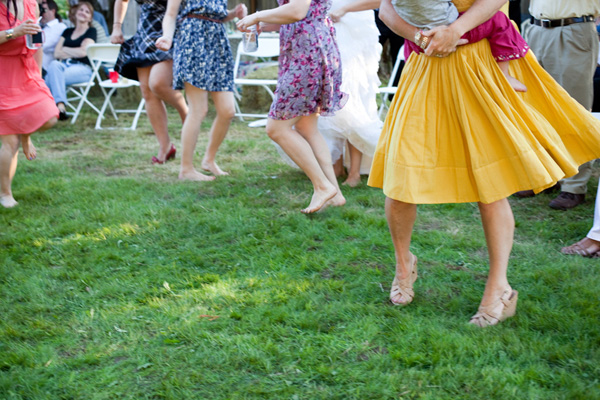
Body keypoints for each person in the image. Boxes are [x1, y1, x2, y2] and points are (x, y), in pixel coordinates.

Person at [368, 0, 600, 327]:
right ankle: (404, 265)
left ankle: (499, 289)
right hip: (425, 66)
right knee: (402, 178)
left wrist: (454, 31)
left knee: (491, 184)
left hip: (479, 65)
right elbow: (386, 9)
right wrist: (422, 39)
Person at [237, 0, 348, 214]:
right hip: (309, 47)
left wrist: (258, 15)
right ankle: (335, 194)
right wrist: (266, 23)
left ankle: (322, 186)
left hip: (308, 53)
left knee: (277, 128)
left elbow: (298, 10)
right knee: (307, 128)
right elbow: (301, 13)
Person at [515, 0, 600, 210]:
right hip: (534, 29)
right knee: (535, 108)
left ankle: (573, 186)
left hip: (572, 29)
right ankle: (545, 176)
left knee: (574, 108)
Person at [156, 0, 247, 181]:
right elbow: (171, 14)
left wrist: (233, 14)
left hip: (218, 42)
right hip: (193, 39)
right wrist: (167, 36)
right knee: (198, 109)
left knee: (227, 111)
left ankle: (209, 160)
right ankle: (186, 169)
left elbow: (216, 14)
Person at [111, 0, 188, 165]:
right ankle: (165, 146)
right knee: (147, 93)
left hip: (171, 30)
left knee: (158, 83)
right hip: (145, 33)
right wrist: (117, 26)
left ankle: (188, 116)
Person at [394, 0, 529, 92]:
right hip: (467, 45)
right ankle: (503, 75)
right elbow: (384, 12)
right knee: (500, 22)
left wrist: (422, 39)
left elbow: (386, 10)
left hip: (427, 42)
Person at [1, 0, 58, 208]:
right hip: (2, 73)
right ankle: (5, 194)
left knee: (50, 116)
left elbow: (36, 42)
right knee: (10, 143)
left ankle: (26, 134)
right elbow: (17, 33)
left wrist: (39, 76)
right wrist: (14, 32)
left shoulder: (30, 3)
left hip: (26, 70)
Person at [321, 0, 382, 187]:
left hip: (356, 32)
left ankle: (354, 172)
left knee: (353, 96)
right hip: (329, 27)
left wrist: (345, 9)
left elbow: (381, 1)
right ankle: (336, 165)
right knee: (330, 96)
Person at [44, 1, 96, 120]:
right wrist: (75, 50)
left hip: (83, 69)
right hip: (63, 67)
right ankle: (59, 107)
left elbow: (84, 52)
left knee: (49, 78)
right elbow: (57, 53)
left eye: (87, 12)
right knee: (54, 65)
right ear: (75, 12)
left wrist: (65, 49)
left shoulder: (91, 31)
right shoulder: (67, 31)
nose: (83, 13)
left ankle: (50, 110)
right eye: (81, 10)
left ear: (90, 18)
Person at [40, 0, 67, 75]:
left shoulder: (60, 27)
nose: (41, 13)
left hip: (46, 68)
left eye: (44, 10)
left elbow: (42, 45)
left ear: (53, 11)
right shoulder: (41, 26)